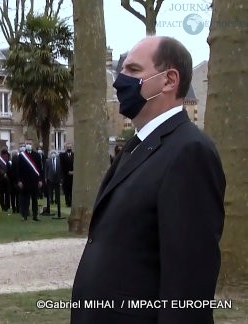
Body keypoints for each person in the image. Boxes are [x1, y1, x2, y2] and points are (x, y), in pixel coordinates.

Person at [71, 36, 226, 324]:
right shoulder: (137, 145)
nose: (120, 81)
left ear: (168, 80)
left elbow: (188, 282)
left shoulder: (189, 152)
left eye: (133, 70)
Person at [17, 140, 43, 221]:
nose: (28, 145)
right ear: (25, 145)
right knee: (25, 200)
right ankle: (24, 215)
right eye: (27, 143)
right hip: (25, 181)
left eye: (30, 144)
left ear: (32, 145)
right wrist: (19, 181)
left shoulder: (37, 155)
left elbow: (40, 169)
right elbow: (18, 170)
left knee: (35, 199)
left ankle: (35, 215)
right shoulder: (21, 156)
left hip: (34, 181)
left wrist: (40, 180)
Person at [44, 150, 61, 217]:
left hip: (57, 179)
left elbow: (60, 169)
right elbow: (46, 170)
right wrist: (46, 177)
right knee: (49, 193)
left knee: (57, 194)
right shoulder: (48, 161)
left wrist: (61, 178)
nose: (53, 154)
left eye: (54, 153)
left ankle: (58, 209)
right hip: (50, 179)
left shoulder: (59, 161)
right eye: (52, 153)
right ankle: (49, 207)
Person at [0, 148, 10, 212]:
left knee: (6, 193)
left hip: (6, 178)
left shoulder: (8, 158)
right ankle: (4, 206)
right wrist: (3, 173)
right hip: (2, 178)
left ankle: (5, 206)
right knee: (3, 193)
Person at [60, 143, 74, 207]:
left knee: (71, 190)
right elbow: (62, 165)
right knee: (66, 190)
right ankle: (67, 202)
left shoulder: (74, 155)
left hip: (73, 175)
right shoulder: (62, 155)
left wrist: (73, 171)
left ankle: (71, 202)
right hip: (66, 175)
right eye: (68, 147)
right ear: (66, 148)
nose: (69, 148)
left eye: (70, 147)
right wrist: (67, 172)